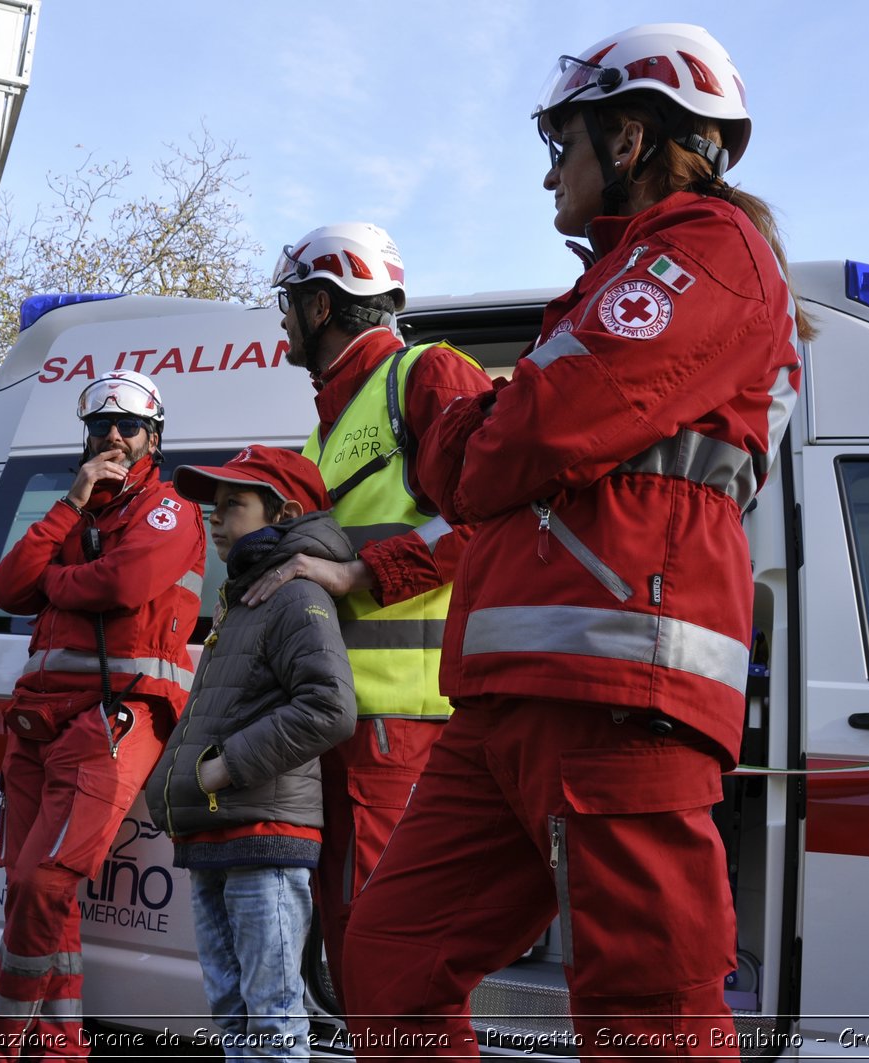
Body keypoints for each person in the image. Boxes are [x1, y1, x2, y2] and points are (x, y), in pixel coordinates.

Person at [340, 23, 812, 1058]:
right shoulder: (612, 279)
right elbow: (499, 457)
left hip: (617, 688)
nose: (551, 170)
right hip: (510, 694)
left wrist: (462, 415)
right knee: (388, 966)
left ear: (630, 138)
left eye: (565, 143)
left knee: (650, 1012)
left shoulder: (708, 251)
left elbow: (537, 432)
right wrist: (481, 435)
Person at [247, 222, 491, 991]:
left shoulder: (428, 374)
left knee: (386, 961)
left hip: (400, 732)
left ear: (321, 305)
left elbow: (492, 514)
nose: (281, 320)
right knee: (353, 954)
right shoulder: (328, 427)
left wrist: (360, 575)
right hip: (338, 725)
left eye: (288, 303)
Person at [0, 370, 206, 1061]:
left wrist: (55, 582)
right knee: (29, 885)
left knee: (46, 880)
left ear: (152, 439)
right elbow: (9, 587)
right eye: (98, 427)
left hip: (114, 716)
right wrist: (70, 505)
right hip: (35, 721)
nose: (110, 437)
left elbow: (124, 584)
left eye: (126, 427)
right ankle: (62, 1045)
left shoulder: (170, 508)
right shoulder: (72, 509)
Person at [145, 445, 357, 1061]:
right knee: (232, 1012)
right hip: (218, 833)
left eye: (232, 503)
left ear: (284, 510)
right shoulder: (244, 595)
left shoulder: (294, 596)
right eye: (212, 506)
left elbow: (328, 707)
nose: (215, 517)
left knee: (270, 1017)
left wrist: (221, 768)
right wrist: (172, 783)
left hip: (263, 836)